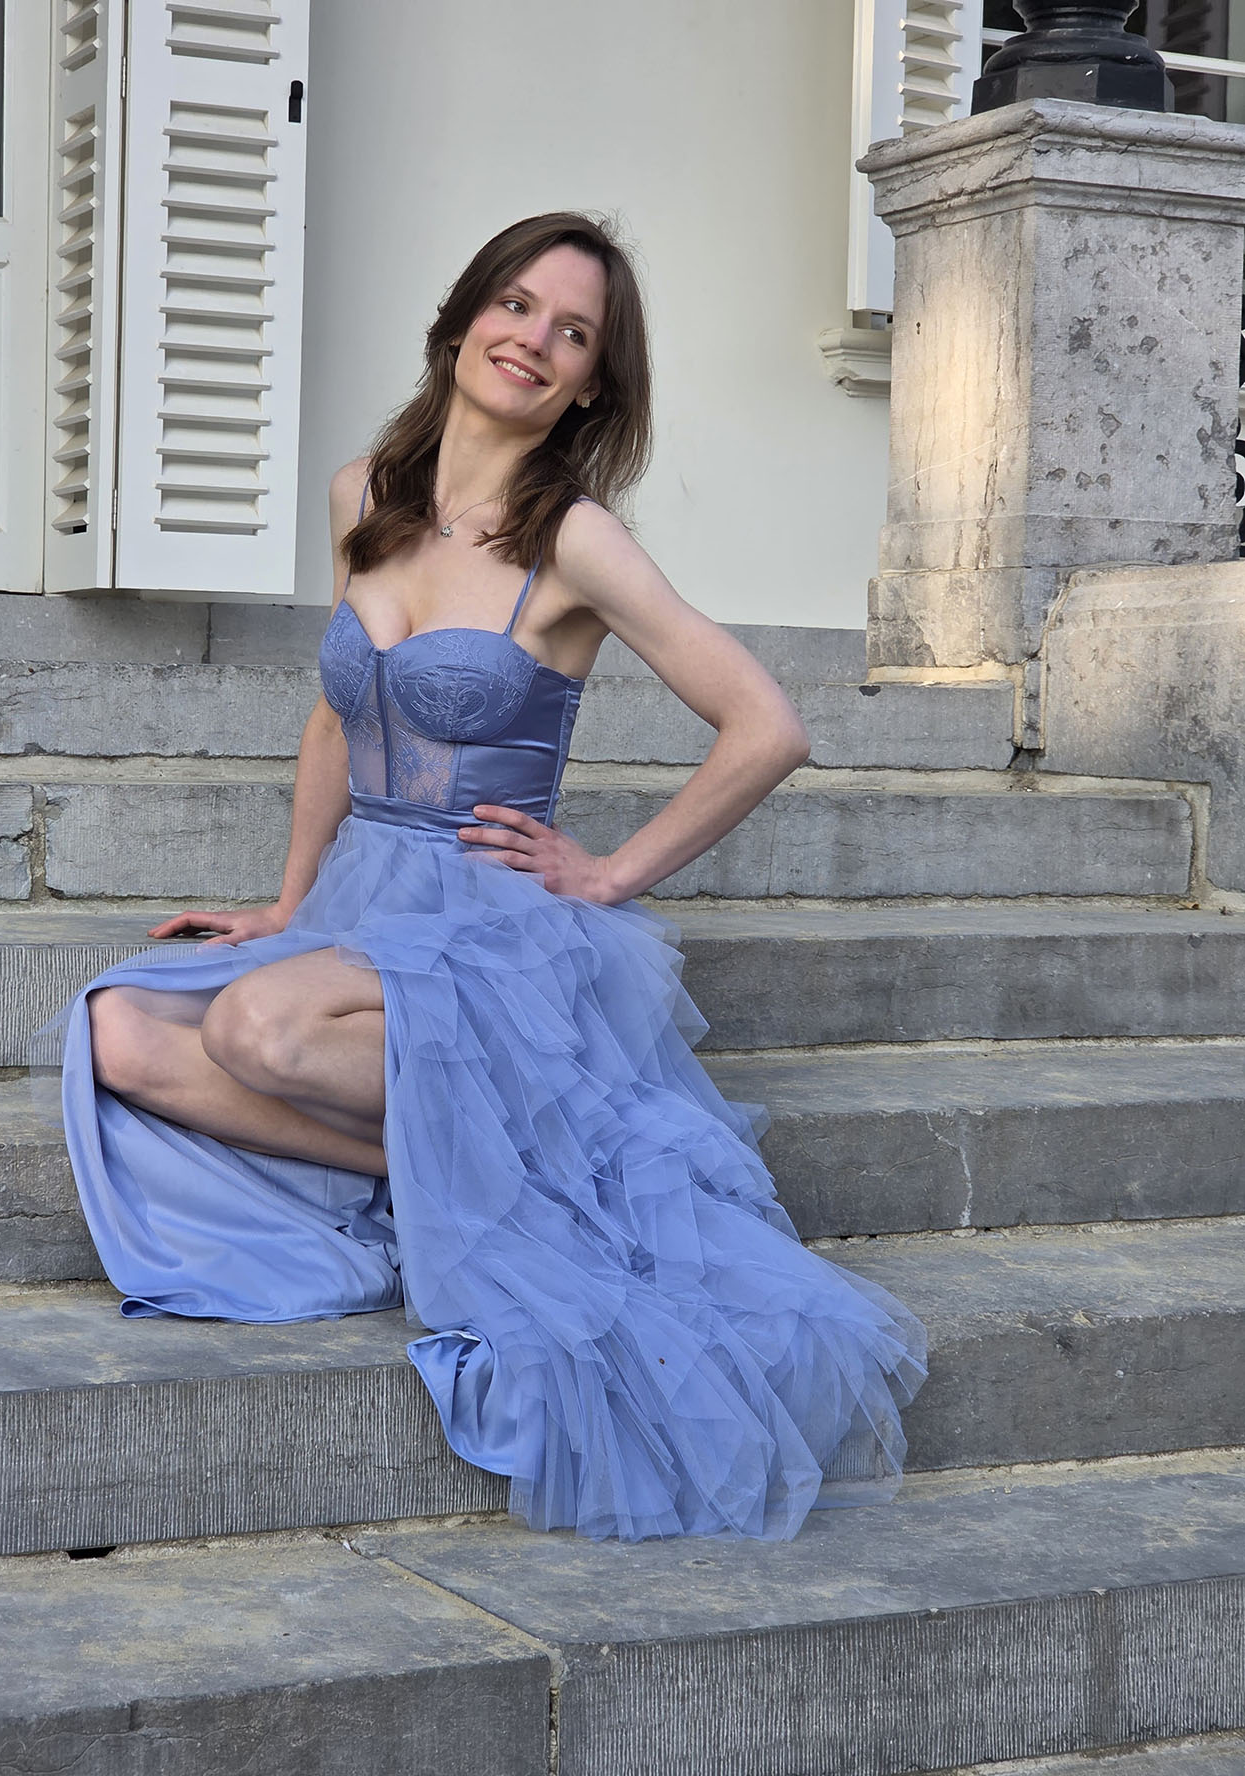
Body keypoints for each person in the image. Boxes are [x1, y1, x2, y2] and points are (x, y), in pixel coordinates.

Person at [51, 211, 927, 1542]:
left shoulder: (573, 541)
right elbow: (340, 712)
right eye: (517, 305)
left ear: (590, 386)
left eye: (573, 333)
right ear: (462, 320)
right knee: (117, 1029)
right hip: (363, 901)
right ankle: (461, 1181)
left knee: (256, 1028)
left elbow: (769, 727)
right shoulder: (362, 495)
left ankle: (486, 1186)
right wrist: (288, 901)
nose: (534, 339)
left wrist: (610, 872)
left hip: (491, 925)